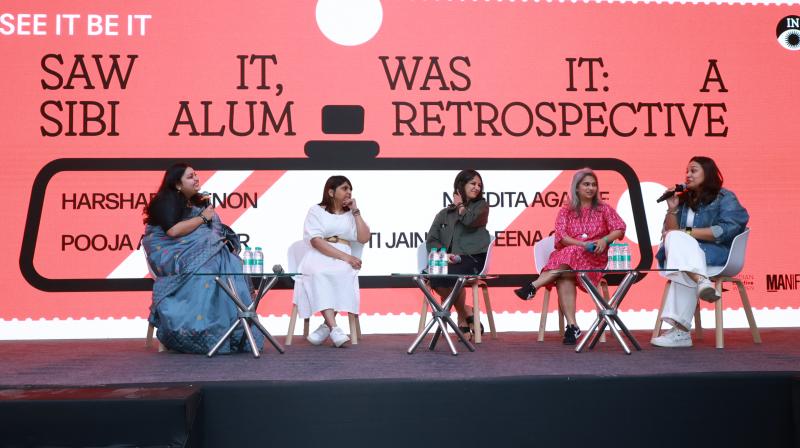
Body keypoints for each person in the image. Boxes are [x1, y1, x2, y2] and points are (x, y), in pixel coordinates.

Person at [142, 163, 262, 354]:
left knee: (229, 265)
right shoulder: (164, 202)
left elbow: (213, 232)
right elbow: (173, 232)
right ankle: (199, 332)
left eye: (196, 174)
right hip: (173, 255)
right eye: (190, 177)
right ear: (177, 184)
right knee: (208, 273)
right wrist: (203, 218)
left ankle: (234, 333)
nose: (196, 178)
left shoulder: (199, 203)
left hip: (201, 255)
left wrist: (216, 238)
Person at [515, 168, 626, 345]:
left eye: (594, 184)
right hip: (569, 259)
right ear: (576, 188)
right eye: (586, 184)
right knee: (565, 273)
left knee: (569, 255)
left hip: (594, 258)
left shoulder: (604, 209)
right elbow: (561, 237)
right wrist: (582, 244)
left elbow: (619, 228)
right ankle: (572, 326)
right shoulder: (566, 210)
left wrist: (604, 240)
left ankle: (533, 286)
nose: (591, 188)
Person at [651, 156, 749, 348]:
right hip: (688, 258)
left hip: (715, 253)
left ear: (708, 172)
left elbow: (728, 229)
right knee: (677, 246)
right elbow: (669, 235)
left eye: (693, 170)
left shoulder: (724, 197)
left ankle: (680, 331)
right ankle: (701, 281)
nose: (687, 175)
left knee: (682, 263)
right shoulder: (683, 200)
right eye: (686, 171)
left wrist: (686, 233)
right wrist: (672, 209)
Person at [294, 175, 371, 347]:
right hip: (319, 254)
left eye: (350, 189)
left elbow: (364, 238)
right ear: (331, 191)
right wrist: (347, 257)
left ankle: (325, 327)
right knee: (320, 273)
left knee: (343, 272)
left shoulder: (351, 214)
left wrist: (356, 211)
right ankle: (335, 328)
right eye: (344, 188)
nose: (349, 192)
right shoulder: (316, 210)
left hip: (344, 255)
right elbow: (315, 240)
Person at [425, 169, 491, 338]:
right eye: (472, 183)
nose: (477, 187)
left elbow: (469, 221)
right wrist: (443, 254)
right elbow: (431, 239)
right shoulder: (444, 214)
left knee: (452, 276)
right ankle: (466, 311)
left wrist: (461, 205)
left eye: (479, 185)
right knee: (431, 275)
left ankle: (462, 318)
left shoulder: (482, 207)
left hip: (473, 258)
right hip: (449, 259)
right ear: (461, 186)